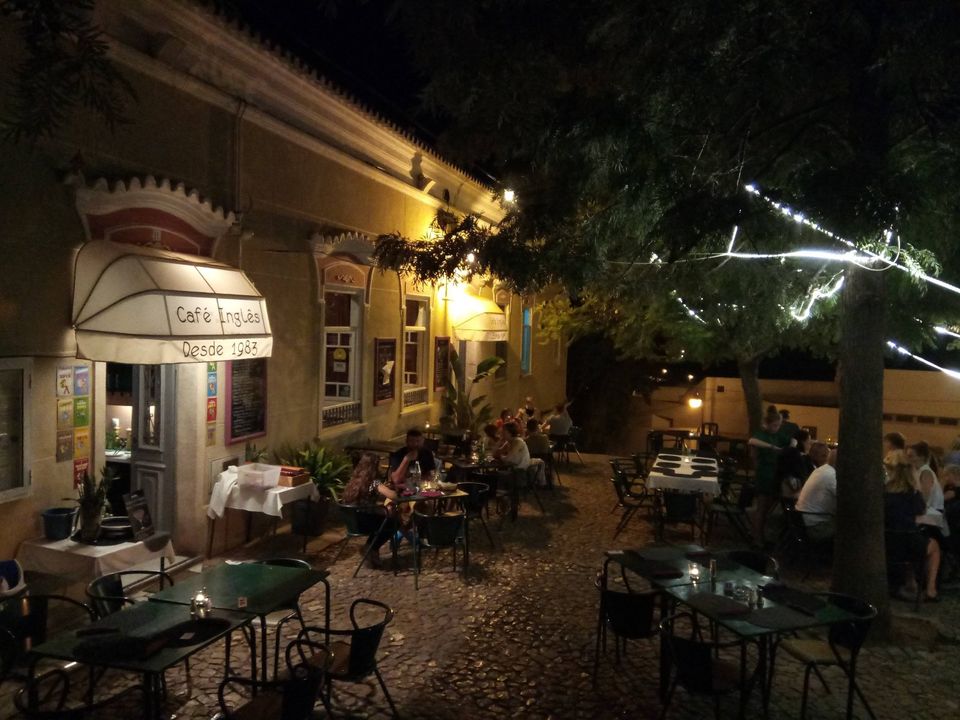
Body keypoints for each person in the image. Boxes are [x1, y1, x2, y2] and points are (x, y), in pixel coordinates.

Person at [885, 450, 939, 601]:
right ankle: (931, 589)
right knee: (933, 546)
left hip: (886, 543)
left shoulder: (882, 493)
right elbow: (921, 511)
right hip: (906, 543)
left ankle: (911, 583)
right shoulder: (913, 494)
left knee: (912, 542)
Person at [907, 441, 950, 590]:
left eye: (911, 456)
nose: (909, 459)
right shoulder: (919, 471)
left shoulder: (925, 472)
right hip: (927, 514)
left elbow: (923, 500)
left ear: (921, 457)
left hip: (933, 517)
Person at [340, 453, 395, 569]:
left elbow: (365, 500)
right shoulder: (373, 482)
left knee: (387, 516)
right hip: (364, 523)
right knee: (394, 522)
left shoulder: (354, 480)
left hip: (353, 522)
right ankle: (371, 548)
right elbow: (392, 495)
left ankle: (371, 549)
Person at [748, 406, 791, 545]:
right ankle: (757, 537)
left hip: (775, 474)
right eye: (774, 425)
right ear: (767, 424)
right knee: (762, 506)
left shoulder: (778, 434)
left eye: (778, 425)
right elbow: (752, 441)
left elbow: (790, 440)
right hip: (765, 473)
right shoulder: (762, 434)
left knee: (768, 508)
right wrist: (771, 447)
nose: (776, 428)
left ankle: (762, 535)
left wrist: (793, 445)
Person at [795, 447, 838, 541]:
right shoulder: (831, 475)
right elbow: (846, 498)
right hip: (816, 526)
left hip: (803, 521)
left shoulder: (821, 470)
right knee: (853, 527)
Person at [776, 428, 816, 499]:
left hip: (784, 493)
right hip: (797, 495)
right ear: (803, 442)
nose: (810, 445)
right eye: (809, 442)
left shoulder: (787, 455)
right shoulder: (802, 458)